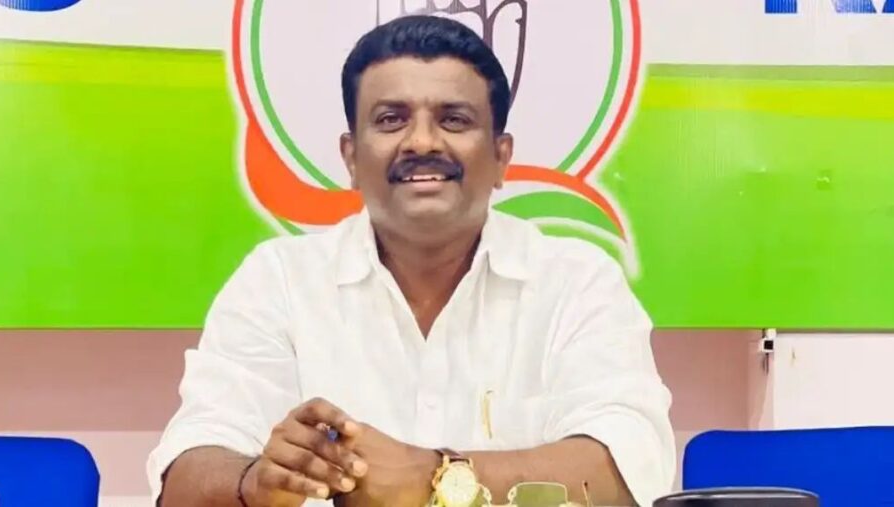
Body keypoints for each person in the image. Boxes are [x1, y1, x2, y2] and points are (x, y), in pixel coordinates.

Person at [148, 14, 675, 507]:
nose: (422, 141)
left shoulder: (576, 281)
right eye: (391, 119)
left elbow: (627, 471)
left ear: (501, 157)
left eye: (454, 119)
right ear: (351, 157)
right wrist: (255, 482)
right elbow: (186, 474)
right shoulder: (279, 281)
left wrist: (433, 476)